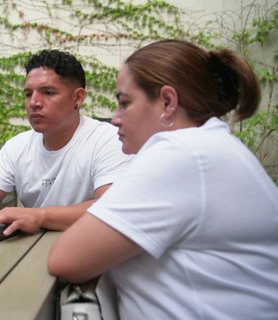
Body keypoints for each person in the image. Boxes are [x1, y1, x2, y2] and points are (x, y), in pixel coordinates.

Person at [48, 39, 278, 319]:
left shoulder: (183, 153)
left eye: (124, 103)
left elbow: (68, 259)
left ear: (167, 102)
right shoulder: (207, 146)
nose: (115, 119)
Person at [0, 49, 131, 236]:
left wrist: (39, 216)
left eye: (48, 92)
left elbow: (110, 206)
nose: (34, 103)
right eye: (28, 94)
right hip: (25, 252)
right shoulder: (17, 146)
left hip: (89, 247)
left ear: (78, 97)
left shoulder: (107, 140)